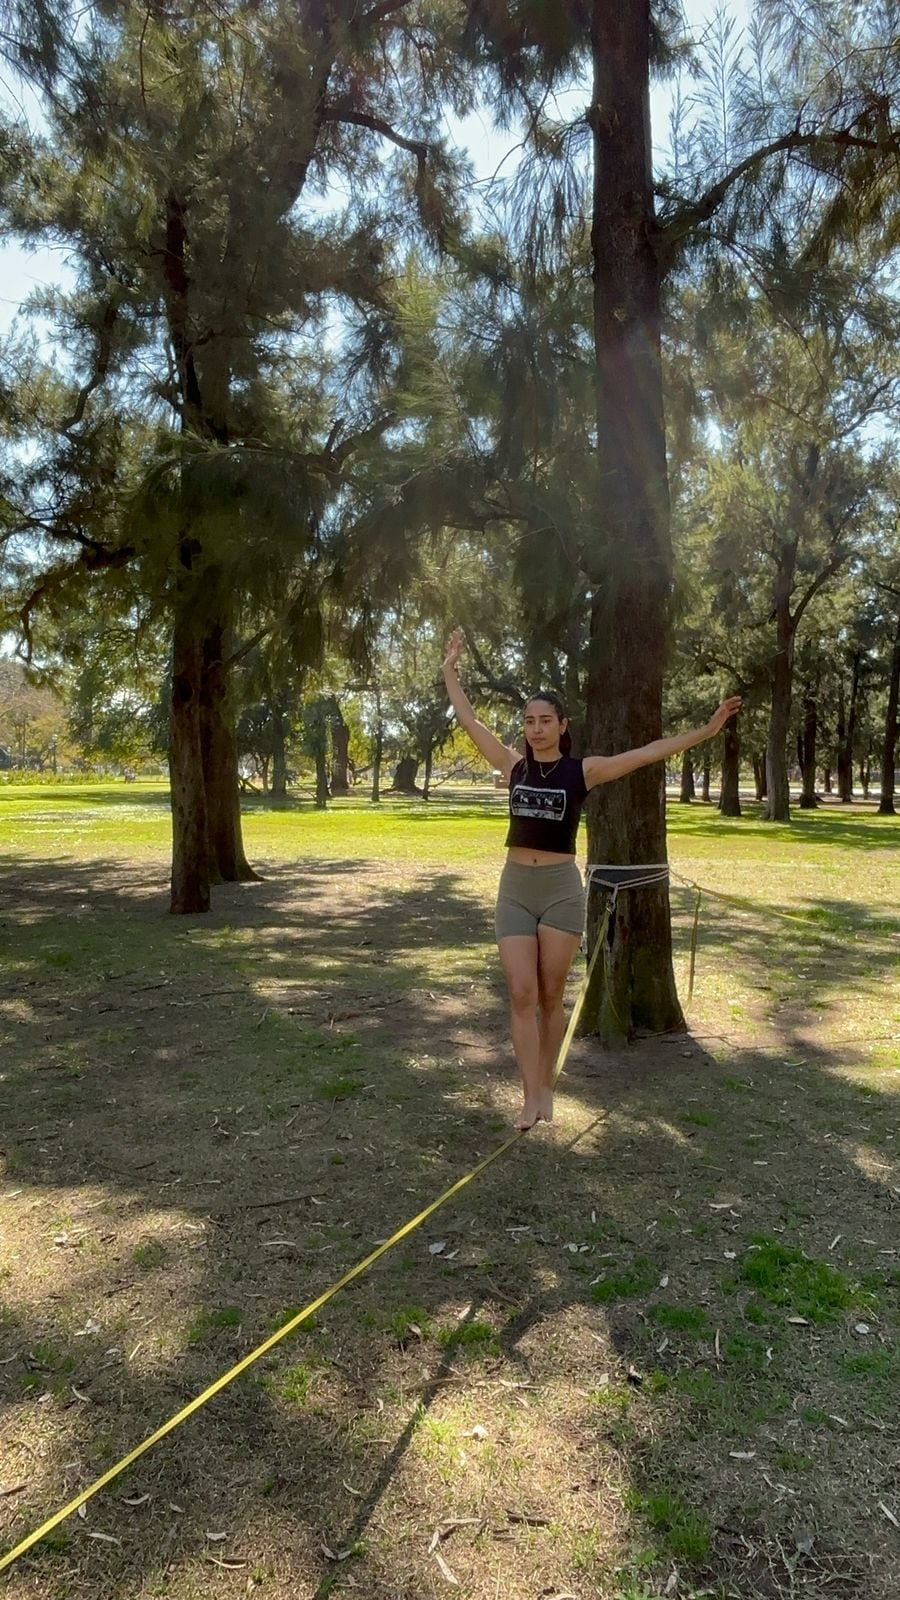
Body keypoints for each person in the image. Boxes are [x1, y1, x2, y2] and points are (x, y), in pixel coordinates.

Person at [441, 629, 741, 1130]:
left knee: (551, 995)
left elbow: (646, 753)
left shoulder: (582, 772)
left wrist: (707, 731)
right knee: (520, 993)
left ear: (562, 726)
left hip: (560, 892)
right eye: (529, 722)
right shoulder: (512, 767)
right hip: (515, 888)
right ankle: (528, 1095)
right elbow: (469, 720)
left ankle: (547, 1087)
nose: (536, 729)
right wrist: (451, 669)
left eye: (545, 721)